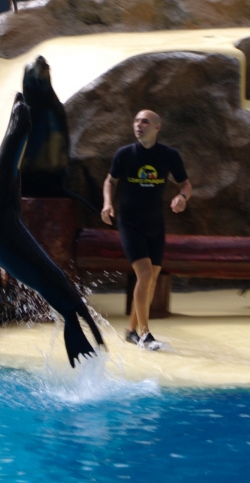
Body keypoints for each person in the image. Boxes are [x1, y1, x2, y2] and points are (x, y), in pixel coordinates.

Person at [101, 110, 192, 350]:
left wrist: (182, 197)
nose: (139, 125)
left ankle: (130, 331)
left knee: (150, 281)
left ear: (157, 127)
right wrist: (107, 203)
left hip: (155, 224)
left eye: (145, 121)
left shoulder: (169, 155)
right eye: (136, 121)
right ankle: (145, 334)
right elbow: (110, 181)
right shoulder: (124, 154)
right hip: (130, 223)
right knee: (145, 275)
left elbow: (185, 184)